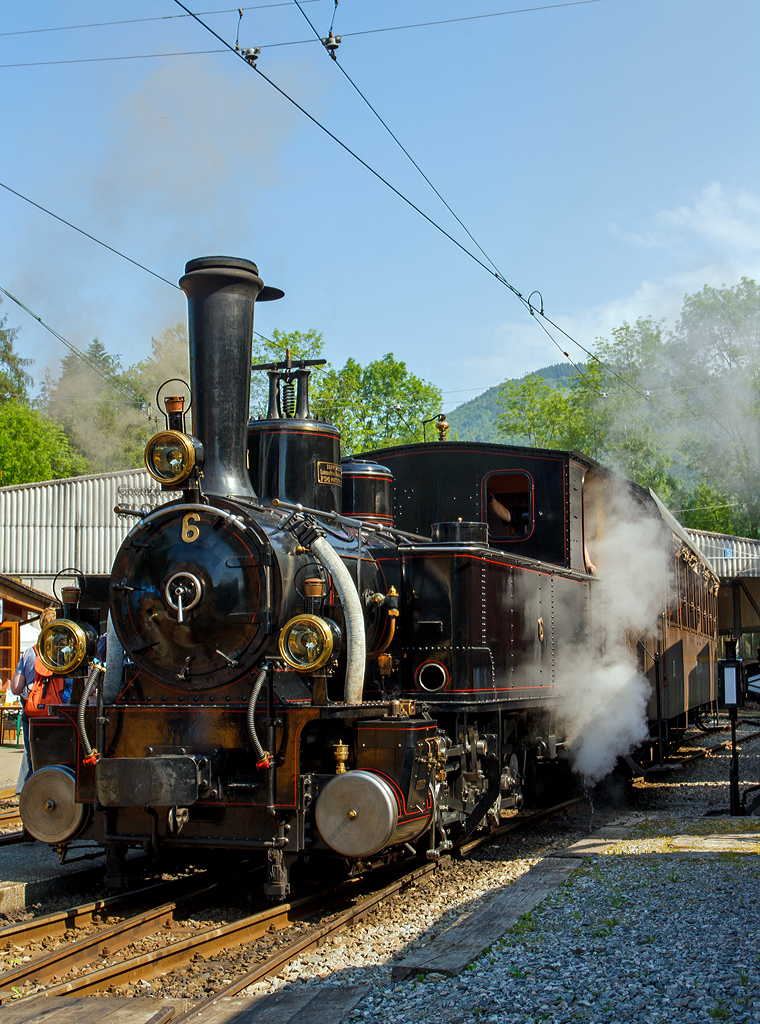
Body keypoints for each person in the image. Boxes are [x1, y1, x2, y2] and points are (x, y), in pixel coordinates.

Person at [10, 606, 57, 772]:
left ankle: (34, 788)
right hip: (58, 713)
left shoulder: (30, 653)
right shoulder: (67, 651)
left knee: (33, 758)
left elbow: (16, 689)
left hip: (33, 713)